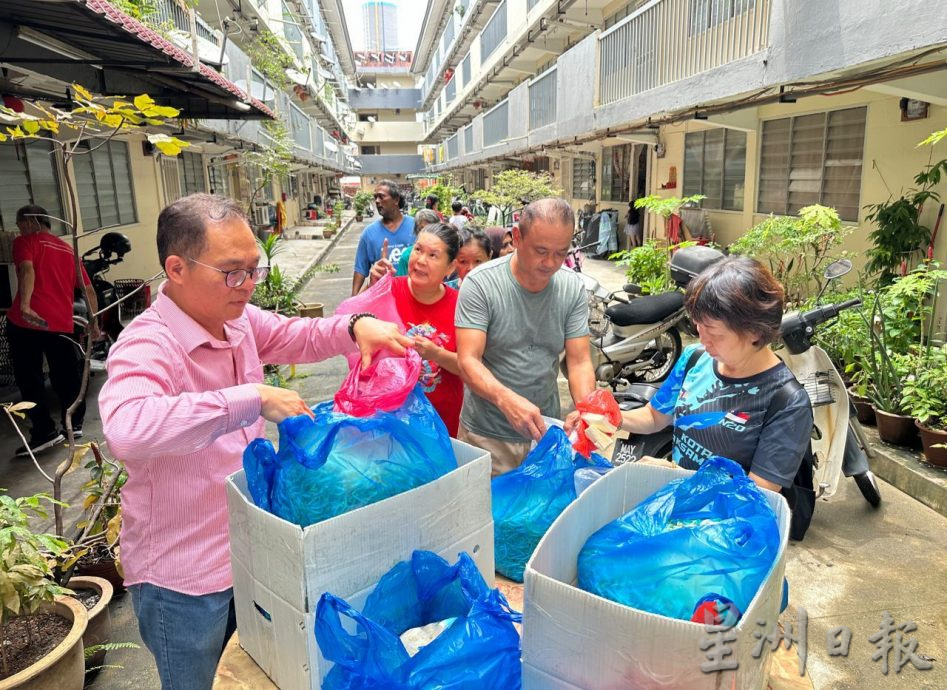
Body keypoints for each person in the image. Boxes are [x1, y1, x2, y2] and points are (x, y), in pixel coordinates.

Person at [99, 194, 410, 690]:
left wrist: (356, 325)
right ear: (176, 268)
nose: (246, 285)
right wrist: (249, 398)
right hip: (181, 576)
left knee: (250, 674)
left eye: (253, 268)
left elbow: (299, 335)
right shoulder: (147, 344)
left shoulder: (237, 320)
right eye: (231, 272)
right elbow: (127, 428)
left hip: (245, 548)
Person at [615, 256, 813, 493]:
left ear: (754, 332)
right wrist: (610, 416)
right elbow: (655, 417)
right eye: (698, 326)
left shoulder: (786, 402)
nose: (703, 339)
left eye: (714, 333)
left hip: (725, 524)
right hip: (679, 502)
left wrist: (676, 476)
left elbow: (760, 494)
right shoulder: (695, 359)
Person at [456, 198, 596, 475]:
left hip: (544, 432)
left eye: (560, 253)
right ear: (517, 238)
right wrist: (505, 399)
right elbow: (468, 361)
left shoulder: (571, 288)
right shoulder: (481, 284)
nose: (550, 263)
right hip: (487, 435)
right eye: (541, 251)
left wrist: (585, 407)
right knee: (487, 513)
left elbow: (579, 362)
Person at [7, 204, 97, 455]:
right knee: (66, 374)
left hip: (27, 323)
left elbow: (26, 269)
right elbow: (87, 289)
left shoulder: (25, 241)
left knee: (30, 378)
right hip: (60, 322)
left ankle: (44, 431)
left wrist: (25, 305)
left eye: (19, 225)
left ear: (27, 222)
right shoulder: (68, 249)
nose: (19, 230)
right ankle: (73, 424)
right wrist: (95, 321)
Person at [391, 222, 463, 435]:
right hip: (393, 418)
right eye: (418, 250)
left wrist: (436, 354)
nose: (421, 260)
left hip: (442, 422)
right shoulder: (390, 290)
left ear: (450, 267)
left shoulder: (461, 306)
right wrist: (372, 286)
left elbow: (470, 367)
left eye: (433, 255)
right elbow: (355, 331)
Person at [352, 180, 416, 295]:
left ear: (396, 200)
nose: (377, 201)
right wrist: (353, 301)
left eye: (381, 197)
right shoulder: (369, 233)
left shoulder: (416, 227)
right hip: (382, 298)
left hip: (412, 296)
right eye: (375, 197)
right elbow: (360, 270)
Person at [395, 208, 441, 277]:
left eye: (432, 229)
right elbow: (400, 284)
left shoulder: (443, 253)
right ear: (416, 231)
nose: (427, 235)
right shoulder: (407, 256)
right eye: (422, 229)